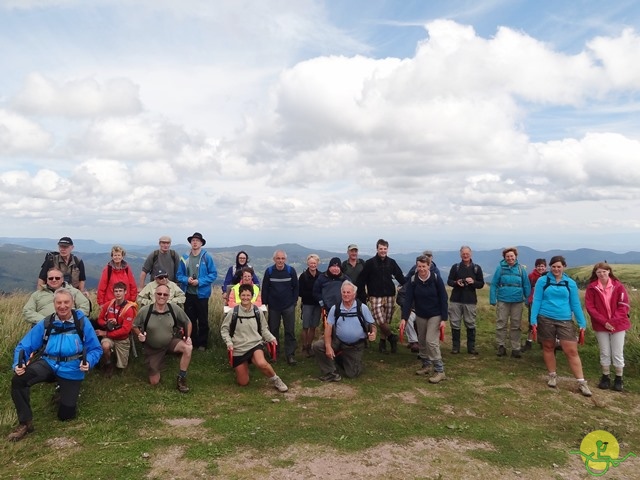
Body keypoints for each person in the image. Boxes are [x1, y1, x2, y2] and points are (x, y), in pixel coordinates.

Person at [7, 288, 102, 442]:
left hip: (72, 367)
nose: (62, 306)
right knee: (19, 380)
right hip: (48, 363)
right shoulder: (47, 322)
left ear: (72, 303)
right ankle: (25, 423)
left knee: (66, 416)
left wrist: (89, 362)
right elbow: (24, 346)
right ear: (54, 304)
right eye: (59, 302)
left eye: (66, 302)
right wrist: (19, 363)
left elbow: (95, 349)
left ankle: (62, 390)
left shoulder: (82, 322)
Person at [530, 255, 592, 397]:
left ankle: (582, 382)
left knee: (571, 350)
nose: (556, 269)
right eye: (553, 266)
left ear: (564, 266)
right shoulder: (542, 281)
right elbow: (537, 300)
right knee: (548, 346)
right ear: (550, 267)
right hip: (545, 317)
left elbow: (575, 304)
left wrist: (582, 322)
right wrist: (533, 319)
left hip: (565, 319)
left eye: (559, 266)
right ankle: (552, 375)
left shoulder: (570, 283)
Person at [221, 284, 288, 392]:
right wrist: (229, 343)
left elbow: (264, 329)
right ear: (239, 296)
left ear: (252, 296)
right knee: (243, 382)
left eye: (248, 295)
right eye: (243, 295)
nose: (245, 297)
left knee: (261, 363)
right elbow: (224, 329)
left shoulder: (258, 311)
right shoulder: (233, 312)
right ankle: (245, 366)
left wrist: (271, 338)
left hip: (255, 344)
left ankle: (276, 380)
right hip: (238, 347)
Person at [132, 284, 193, 392]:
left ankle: (181, 378)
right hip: (152, 348)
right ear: (155, 295)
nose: (162, 296)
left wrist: (188, 337)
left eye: (165, 294)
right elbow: (134, 325)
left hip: (170, 342)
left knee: (188, 348)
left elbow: (187, 322)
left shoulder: (174, 308)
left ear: (168, 296)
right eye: (159, 294)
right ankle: (159, 362)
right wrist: (139, 335)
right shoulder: (145, 310)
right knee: (154, 382)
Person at [312, 280, 376, 381]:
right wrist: (328, 346)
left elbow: (372, 324)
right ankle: (331, 372)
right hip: (338, 341)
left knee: (352, 374)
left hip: (355, 345)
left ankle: (342, 359)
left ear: (354, 294)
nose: (346, 295)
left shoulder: (362, 308)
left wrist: (373, 334)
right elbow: (328, 328)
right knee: (318, 346)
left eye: (348, 292)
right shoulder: (335, 308)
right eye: (344, 292)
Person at [400, 255, 448, 383]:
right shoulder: (413, 280)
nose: (421, 269)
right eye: (419, 266)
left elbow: (443, 298)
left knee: (431, 341)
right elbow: (408, 300)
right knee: (421, 341)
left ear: (429, 266)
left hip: (435, 314)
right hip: (421, 314)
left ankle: (439, 370)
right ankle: (426, 365)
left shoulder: (436, 279)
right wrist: (404, 318)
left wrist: (444, 318)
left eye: (424, 266)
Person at [585, 262, 631, 392]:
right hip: (601, 325)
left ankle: (618, 378)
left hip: (619, 325)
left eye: (604, 271)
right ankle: (605, 376)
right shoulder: (592, 288)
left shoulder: (618, 286)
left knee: (617, 352)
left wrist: (613, 322)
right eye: (599, 272)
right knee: (604, 351)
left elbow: (623, 306)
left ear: (609, 272)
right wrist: (604, 322)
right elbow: (590, 307)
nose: (602, 274)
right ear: (596, 274)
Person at [357, 239, 405, 354]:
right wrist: (363, 293)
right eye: (381, 249)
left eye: (385, 249)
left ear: (387, 249)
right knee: (380, 320)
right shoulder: (370, 263)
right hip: (375, 296)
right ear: (377, 249)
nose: (383, 251)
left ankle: (383, 343)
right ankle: (392, 337)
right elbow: (361, 279)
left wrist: (408, 285)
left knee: (386, 321)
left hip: (389, 295)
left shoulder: (391, 262)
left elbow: (400, 276)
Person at [176, 232, 218, 351]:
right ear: (190, 242)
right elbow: (179, 275)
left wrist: (199, 281)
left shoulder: (206, 257)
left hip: (202, 294)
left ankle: (203, 344)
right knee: (190, 319)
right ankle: (191, 342)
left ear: (201, 243)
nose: (195, 242)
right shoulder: (184, 257)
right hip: (188, 293)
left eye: (197, 240)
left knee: (203, 320)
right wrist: (186, 279)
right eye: (193, 240)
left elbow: (213, 274)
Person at [489, 247, 531, 358]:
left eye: (512, 256)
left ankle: (515, 348)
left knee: (516, 325)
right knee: (501, 323)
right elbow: (494, 284)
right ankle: (501, 346)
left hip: (517, 300)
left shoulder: (521, 269)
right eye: (507, 256)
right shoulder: (500, 269)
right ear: (504, 257)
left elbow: (526, 284)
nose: (510, 258)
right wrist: (493, 299)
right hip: (503, 299)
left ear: (515, 256)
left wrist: (527, 298)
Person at [262, 250, 299, 365]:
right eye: (278, 258)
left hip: (288, 306)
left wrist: (293, 302)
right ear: (274, 259)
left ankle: (290, 355)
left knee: (290, 331)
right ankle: (274, 354)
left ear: (285, 259)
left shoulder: (290, 271)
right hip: (273, 307)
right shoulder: (269, 271)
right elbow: (265, 289)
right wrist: (265, 304)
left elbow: (296, 287)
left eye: (282, 258)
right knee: (273, 331)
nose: (280, 261)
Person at [447, 245, 485, 355]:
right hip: (456, 299)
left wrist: (473, 282)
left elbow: (481, 284)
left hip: (470, 300)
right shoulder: (456, 267)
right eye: (463, 253)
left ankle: (471, 347)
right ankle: (455, 347)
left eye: (467, 253)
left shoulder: (476, 268)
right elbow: (449, 281)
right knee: (455, 323)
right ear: (460, 254)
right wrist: (456, 282)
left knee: (470, 323)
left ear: (471, 254)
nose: (465, 255)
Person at [95, 282, 137, 376]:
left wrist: (105, 333)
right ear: (113, 292)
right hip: (110, 336)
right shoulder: (109, 305)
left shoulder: (129, 309)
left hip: (122, 338)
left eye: (120, 291)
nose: (118, 293)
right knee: (105, 345)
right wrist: (107, 323)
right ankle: (108, 364)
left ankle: (122, 357)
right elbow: (100, 319)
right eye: (116, 291)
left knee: (122, 367)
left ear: (125, 292)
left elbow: (125, 330)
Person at [23, 268, 91, 325]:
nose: (54, 280)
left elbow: (85, 306)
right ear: (47, 280)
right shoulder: (37, 295)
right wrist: (45, 321)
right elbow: (27, 311)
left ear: (62, 279)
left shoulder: (74, 292)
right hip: (44, 327)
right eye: (51, 278)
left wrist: (72, 319)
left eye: (57, 278)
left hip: (70, 327)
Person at [298, 254, 321, 357]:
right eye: (311, 263)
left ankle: (309, 346)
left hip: (317, 305)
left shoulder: (321, 275)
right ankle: (304, 346)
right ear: (308, 263)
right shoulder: (303, 276)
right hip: (307, 304)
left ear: (317, 264)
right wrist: (312, 294)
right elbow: (299, 291)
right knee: (305, 326)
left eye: (314, 263)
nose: (313, 265)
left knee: (313, 326)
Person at [523, 258, 547, 352]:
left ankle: (543, 342)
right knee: (532, 322)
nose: (540, 268)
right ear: (535, 267)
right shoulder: (531, 276)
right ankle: (529, 342)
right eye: (538, 266)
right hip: (533, 301)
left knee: (545, 323)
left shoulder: (548, 276)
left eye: (542, 266)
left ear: (545, 267)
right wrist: (527, 300)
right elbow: (527, 288)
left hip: (545, 303)